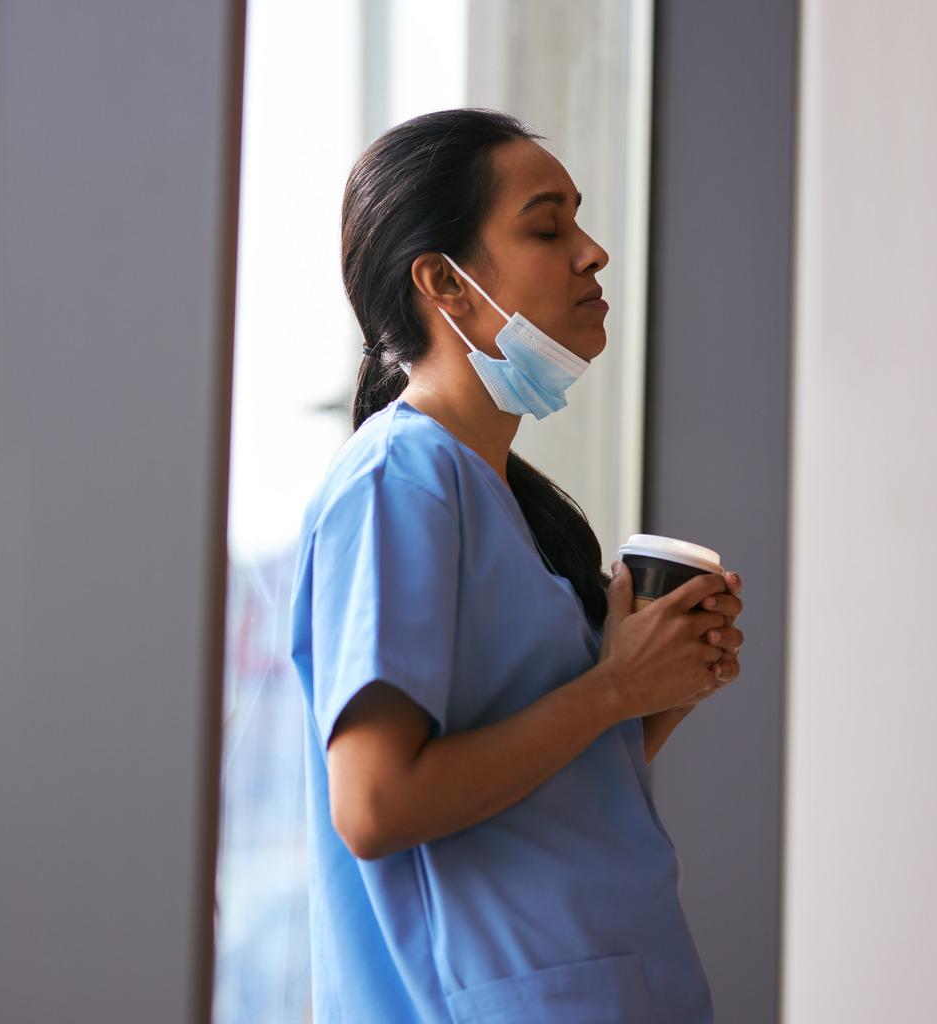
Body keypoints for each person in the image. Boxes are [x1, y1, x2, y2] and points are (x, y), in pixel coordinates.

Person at [288, 108, 748, 1023]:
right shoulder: (400, 480)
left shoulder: (501, 494)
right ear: (444, 285)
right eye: (548, 227)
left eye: (579, 221)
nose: (593, 253)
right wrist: (613, 692)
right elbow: (376, 805)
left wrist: (654, 690)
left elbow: (541, 793)